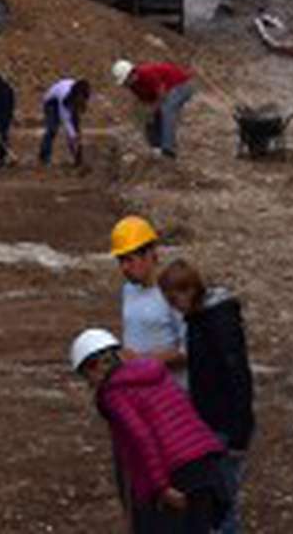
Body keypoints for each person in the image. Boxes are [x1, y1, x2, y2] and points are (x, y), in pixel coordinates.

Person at [69, 328, 230, 533]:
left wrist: (161, 488)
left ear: (94, 367)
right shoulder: (155, 373)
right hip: (206, 465)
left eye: (86, 376)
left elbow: (142, 439)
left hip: (177, 473)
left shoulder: (114, 394)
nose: (89, 384)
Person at [159, 260, 255, 534]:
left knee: (223, 501)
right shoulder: (200, 320)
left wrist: (240, 433)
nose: (172, 306)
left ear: (188, 290)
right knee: (217, 497)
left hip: (225, 424)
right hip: (211, 422)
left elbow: (238, 376)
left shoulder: (217, 323)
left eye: (173, 298)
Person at [110, 216, 187, 387]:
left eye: (130, 260)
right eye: (120, 260)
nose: (124, 268)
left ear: (150, 255)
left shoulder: (174, 292)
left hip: (172, 394)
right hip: (139, 390)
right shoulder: (128, 290)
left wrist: (142, 361)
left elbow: (189, 351)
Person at [112, 59, 194, 159]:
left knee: (167, 109)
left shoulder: (146, 73)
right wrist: (147, 114)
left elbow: (161, 94)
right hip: (166, 92)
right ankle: (156, 147)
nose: (126, 84)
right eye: (124, 82)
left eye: (126, 80)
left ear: (131, 73)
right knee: (149, 117)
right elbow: (145, 100)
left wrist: (153, 109)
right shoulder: (133, 86)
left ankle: (168, 148)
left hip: (181, 85)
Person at [39, 78, 90, 168]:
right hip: (52, 103)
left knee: (76, 129)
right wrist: (73, 136)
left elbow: (76, 119)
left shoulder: (83, 93)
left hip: (68, 100)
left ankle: (77, 158)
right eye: (79, 99)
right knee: (52, 129)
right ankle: (44, 157)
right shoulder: (64, 97)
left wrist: (77, 137)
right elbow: (66, 120)